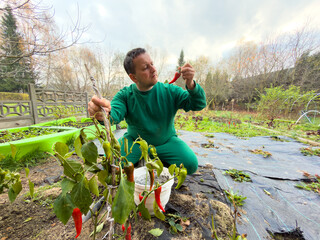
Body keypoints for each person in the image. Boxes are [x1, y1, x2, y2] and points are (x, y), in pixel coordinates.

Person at [88, 48, 206, 174]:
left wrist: (191, 84)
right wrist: (103, 112)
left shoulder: (169, 91)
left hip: (166, 143)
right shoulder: (126, 95)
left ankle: (153, 159)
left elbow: (198, 104)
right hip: (135, 144)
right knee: (112, 165)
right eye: (145, 68)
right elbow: (114, 113)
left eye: (152, 64)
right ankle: (148, 159)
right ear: (133, 77)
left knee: (190, 164)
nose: (154, 69)